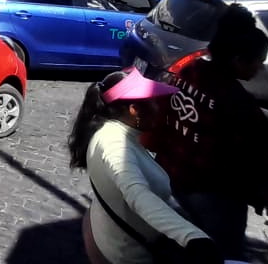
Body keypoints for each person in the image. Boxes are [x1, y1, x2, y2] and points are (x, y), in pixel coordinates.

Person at [152, 5, 268, 260]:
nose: (259, 69)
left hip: (169, 178)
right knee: (219, 254)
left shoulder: (189, 72)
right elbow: (252, 163)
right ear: (238, 60)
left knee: (174, 247)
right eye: (258, 62)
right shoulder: (237, 102)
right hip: (214, 197)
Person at [68, 68, 221, 264]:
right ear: (134, 109)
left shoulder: (108, 130)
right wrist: (191, 236)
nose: (158, 107)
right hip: (124, 254)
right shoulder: (115, 145)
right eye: (152, 102)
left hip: (105, 233)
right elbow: (138, 195)